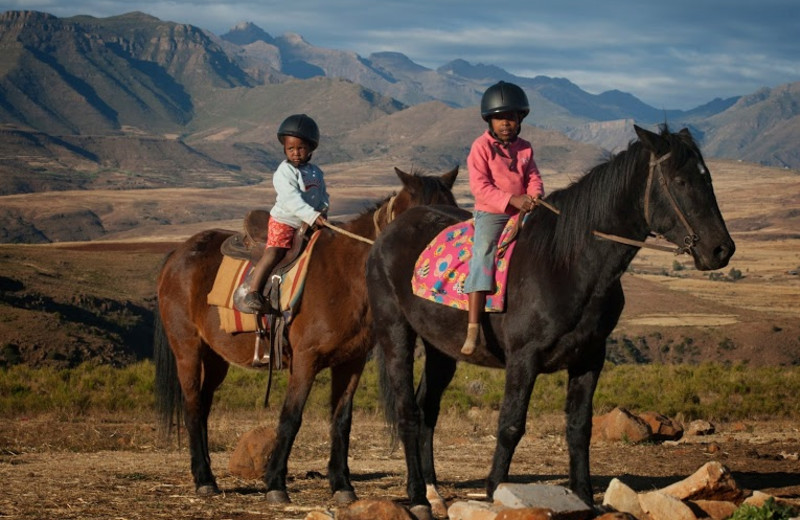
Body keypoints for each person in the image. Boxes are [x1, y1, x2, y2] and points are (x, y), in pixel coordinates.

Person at [461, 81, 544, 355]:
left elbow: (533, 177)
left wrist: (534, 196)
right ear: (490, 120)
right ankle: (473, 327)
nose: (505, 123)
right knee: (483, 252)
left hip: (523, 211)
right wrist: (511, 200)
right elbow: (480, 186)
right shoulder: (480, 147)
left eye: (510, 117)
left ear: (520, 119)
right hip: (492, 213)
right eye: (499, 118)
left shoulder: (525, 148)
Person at [241, 113, 329, 313]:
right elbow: (292, 200)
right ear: (284, 149)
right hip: (285, 221)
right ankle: (253, 292)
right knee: (275, 252)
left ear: (310, 149)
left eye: (301, 148)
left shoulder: (316, 172)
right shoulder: (284, 172)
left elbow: (323, 194)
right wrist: (312, 215)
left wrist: (323, 210)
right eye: (291, 148)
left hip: (309, 221)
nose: (296, 153)